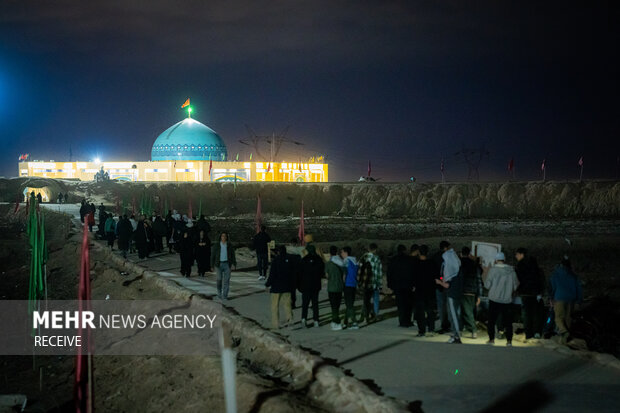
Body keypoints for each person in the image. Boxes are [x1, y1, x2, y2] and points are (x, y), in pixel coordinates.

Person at [483, 252, 519, 346]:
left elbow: (487, 285)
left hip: (494, 299)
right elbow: (516, 285)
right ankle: (509, 341)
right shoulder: (511, 271)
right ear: (504, 259)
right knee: (508, 321)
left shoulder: (493, 270)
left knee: (491, 320)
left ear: (496, 260)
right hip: (507, 300)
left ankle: (491, 340)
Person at [550, 255, 583, 344]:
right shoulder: (574, 276)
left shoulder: (555, 275)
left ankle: (564, 332)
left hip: (559, 298)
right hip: (571, 299)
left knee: (558, 318)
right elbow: (579, 288)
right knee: (568, 318)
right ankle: (565, 340)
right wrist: (579, 300)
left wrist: (551, 298)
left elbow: (552, 288)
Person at [435, 241, 463, 343]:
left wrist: (439, 282)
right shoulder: (458, 270)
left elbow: (447, 284)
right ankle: (457, 333)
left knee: (453, 315)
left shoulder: (450, 272)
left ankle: (456, 336)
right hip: (458, 292)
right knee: (457, 312)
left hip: (451, 293)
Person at [515, 247, 545, 340]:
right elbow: (541, 279)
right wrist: (540, 291)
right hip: (535, 293)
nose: (516, 256)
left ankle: (528, 334)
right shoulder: (535, 266)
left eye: (517, 254)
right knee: (536, 313)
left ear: (521, 254)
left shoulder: (520, 265)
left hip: (525, 293)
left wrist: (517, 289)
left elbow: (517, 280)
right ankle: (537, 332)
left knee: (526, 314)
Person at [265, 245, 296, 329]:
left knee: (275, 306)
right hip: (287, 286)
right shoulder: (290, 260)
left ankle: (275, 324)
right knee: (287, 305)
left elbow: (272, 275)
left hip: (276, 287)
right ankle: (290, 320)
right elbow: (293, 273)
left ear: (278, 252)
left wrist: (267, 284)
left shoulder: (276, 261)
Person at [387, 244, 415, 327]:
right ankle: (408, 320)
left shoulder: (393, 260)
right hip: (407, 285)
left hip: (397, 285)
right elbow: (412, 273)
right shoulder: (409, 260)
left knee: (400, 304)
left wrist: (390, 284)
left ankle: (402, 321)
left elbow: (389, 273)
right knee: (408, 304)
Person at [414, 245, 438, 336]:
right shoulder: (432, 263)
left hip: (419, 290)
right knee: (430, 310)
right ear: (427, 253)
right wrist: (440, 280)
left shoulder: (416, 264)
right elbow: (438, 275)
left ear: (419, 253)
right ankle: (431, 328)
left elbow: (413, 277)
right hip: (430, 290)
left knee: (420, 311)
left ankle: (421, 330)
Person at [298, 245, 324, 327]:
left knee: (305, 304)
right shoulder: (319, 260)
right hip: (316, 285)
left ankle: (304, 319)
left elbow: (300, 274)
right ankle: (316, 320)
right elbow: (322, 273)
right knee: (315, 304)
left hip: (305, 285)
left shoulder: (304, 260)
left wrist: (299, 285)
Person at [461, 246, 482, 338]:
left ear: (461, 254)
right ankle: (463, 328)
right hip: (473, 291)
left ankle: (473, 330)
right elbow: (479, 280)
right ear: (469, 254)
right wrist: (479, 295)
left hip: (463, 290)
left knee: (466, 311)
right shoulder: (474, 265)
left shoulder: (459, 264)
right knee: (469, 311)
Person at [358, 243, 383, 321]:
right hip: (374, 282)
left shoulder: (364, 257)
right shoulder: (377, 258)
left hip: (366, 282)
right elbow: (378, 272)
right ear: (375, 249)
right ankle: (375, 314)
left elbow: (359, 268)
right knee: (376, 299)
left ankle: (364, 314)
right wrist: (380, 284)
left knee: (366, 299)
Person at [211, 232, 236, 300]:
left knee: (226, 281)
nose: (224, 237)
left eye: (225, 236)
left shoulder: (229, 245)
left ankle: (225, 296)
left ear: (227, 237)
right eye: (222, 236)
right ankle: (219, 293)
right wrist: (212, 266)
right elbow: (212, 256)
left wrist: (234, 264)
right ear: (220, 237)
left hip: (227, 264)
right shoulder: (216, 245)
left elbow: (233, 255)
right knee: (219, 279)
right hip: (218, 265)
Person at [325, 245, 346, 330]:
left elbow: (327, 276)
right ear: (337, 252)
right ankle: (336, 321)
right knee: (337, 306)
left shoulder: (328, 264)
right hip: (339, 287)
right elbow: (344, 274)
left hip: (331, 287)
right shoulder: (341, 262)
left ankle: (335, 322)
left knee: (333, 307)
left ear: (330, 253)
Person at [432, 243, 450, 334]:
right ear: (445, 248)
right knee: (448, 305)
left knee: (441, 305)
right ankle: (448, 324)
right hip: (446, 283)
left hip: (438, 284)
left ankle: (444, 324)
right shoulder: (448, 257)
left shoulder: (435, 257)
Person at [341, 246, 359, 329]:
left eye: (342, 252)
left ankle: (355, 322)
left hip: (347, 284)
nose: (341, 254)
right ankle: (345, 322)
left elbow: (344, 274)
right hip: (354, 284)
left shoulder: (346, 261)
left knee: (349, 305)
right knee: (350, 304)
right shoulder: (354, 260)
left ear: (346, 253)